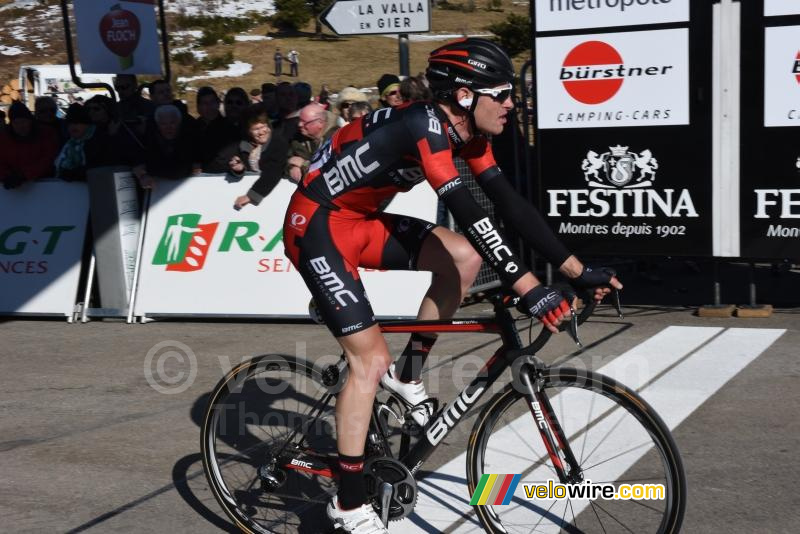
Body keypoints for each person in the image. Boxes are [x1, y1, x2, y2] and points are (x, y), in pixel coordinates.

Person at [246, 38, 623, 532]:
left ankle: (408, 376)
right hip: (316, 227)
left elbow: (510, 206)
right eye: (502, 94)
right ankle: (349, 503)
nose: (511, 104)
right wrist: (530, 288)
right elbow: (468, 212)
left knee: (463, 258)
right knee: (368, 361)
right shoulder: (424, 124)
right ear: (465, 96)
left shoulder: (469, 134)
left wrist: (575, 270)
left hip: (359, 221)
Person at [0, 101, 59, 189]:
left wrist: (24, 175)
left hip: (45, 184)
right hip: (13, 187)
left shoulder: (46, 134)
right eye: (16, 123)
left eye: (24, 121)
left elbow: (48, 158)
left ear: (30, 121)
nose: (21, 126)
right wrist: (6, 175)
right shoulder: (4, 138)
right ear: (11, 124)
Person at [284, 102, 338, 183]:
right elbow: (284, 159)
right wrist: (291, 168)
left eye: (304, 122)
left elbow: (333, 172)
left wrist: (304, 165)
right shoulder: (298, 137)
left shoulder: (337, 140)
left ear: (320, 123)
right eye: (299, 120)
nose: (299, 124)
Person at [195, 86, 240, 173]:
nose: (209, 107)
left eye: (212, 102)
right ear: (198, 107)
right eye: (205, 103)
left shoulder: (230, 129)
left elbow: (228, 159)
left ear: (218, 104)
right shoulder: (191, 128)